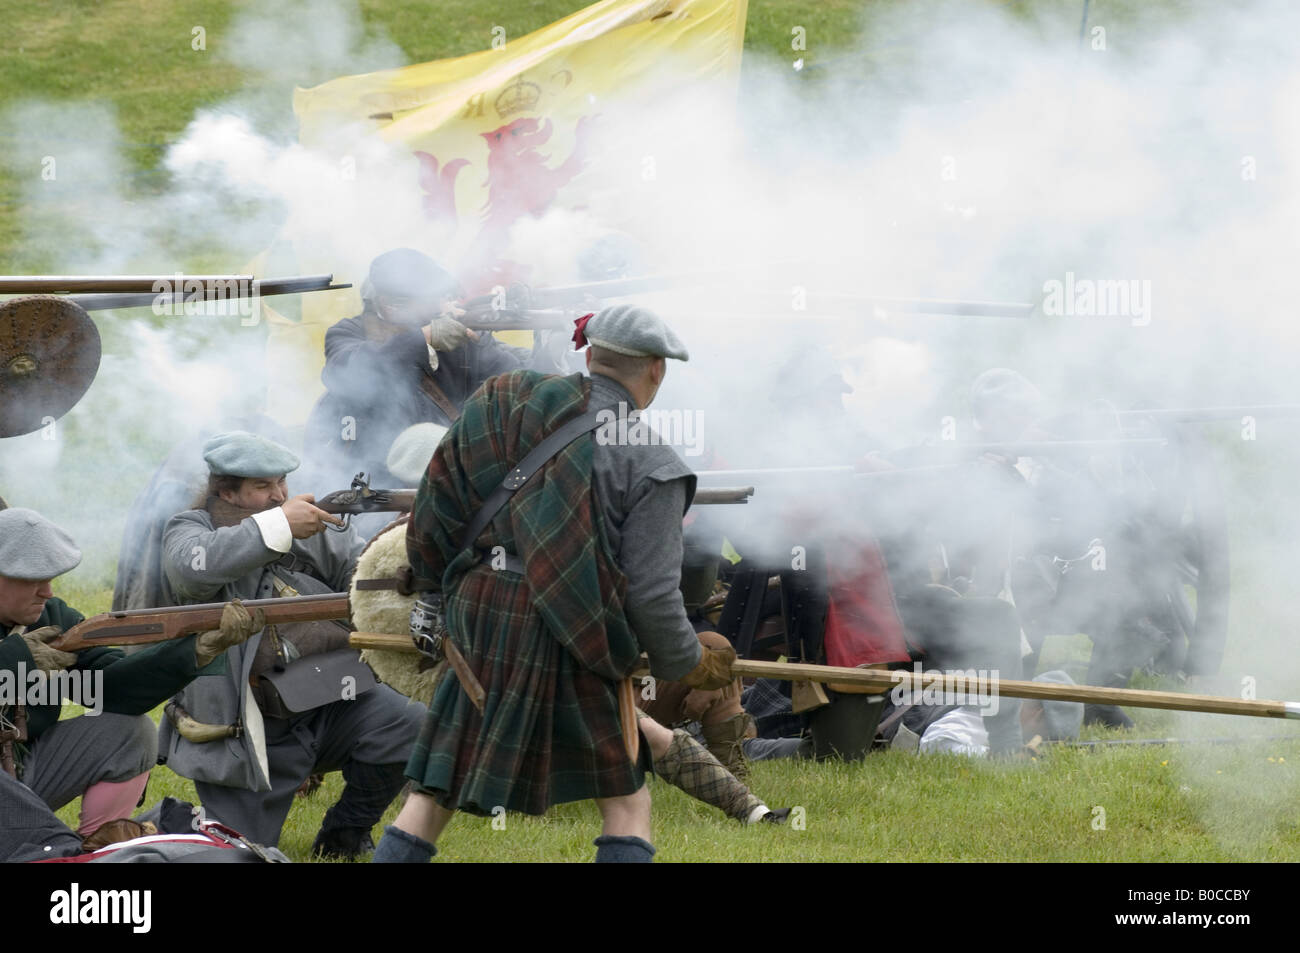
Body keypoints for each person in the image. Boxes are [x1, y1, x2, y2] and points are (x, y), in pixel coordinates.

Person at [373, 305, 738, 863]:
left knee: (431, 791)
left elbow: (436, 507)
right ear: (657, 371)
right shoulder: (652, 460)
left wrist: (435, 591)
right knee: (625, 799)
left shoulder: (501, 399)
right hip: (576, 628)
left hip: (479, 613)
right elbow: (651, 595)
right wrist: (685, 661)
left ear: (589, 355)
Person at [159, 431, 424, 857]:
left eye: (281, 482)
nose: (279, 494)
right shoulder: (190, 529)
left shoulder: (306, 528)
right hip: (248, 727)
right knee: (238, 852)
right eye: (263, 486)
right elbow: (195, 569)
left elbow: (363, 576)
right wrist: (279, 525)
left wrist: (401, 547)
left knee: (408, 722)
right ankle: (159, 826)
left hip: (328, 699)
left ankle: (346, 832)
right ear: (226, 490)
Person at [0, 507, 245, 842]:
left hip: (21, 773)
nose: (48, 592)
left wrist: (194, 651)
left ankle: (94, 851)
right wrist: (16, 659)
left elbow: (112, 688)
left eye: (49, 576)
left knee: (131, 734)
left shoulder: (51, 617)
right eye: (32, 578)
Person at [303, 247, 560, 493]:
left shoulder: (460, 339)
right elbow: (347, 373)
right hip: (375, 483)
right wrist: (423, 338)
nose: (443, 305)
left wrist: (549, 344)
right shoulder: (348, 334)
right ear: (391, 305)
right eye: (432, 299)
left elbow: (521, 384)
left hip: (449, 478)